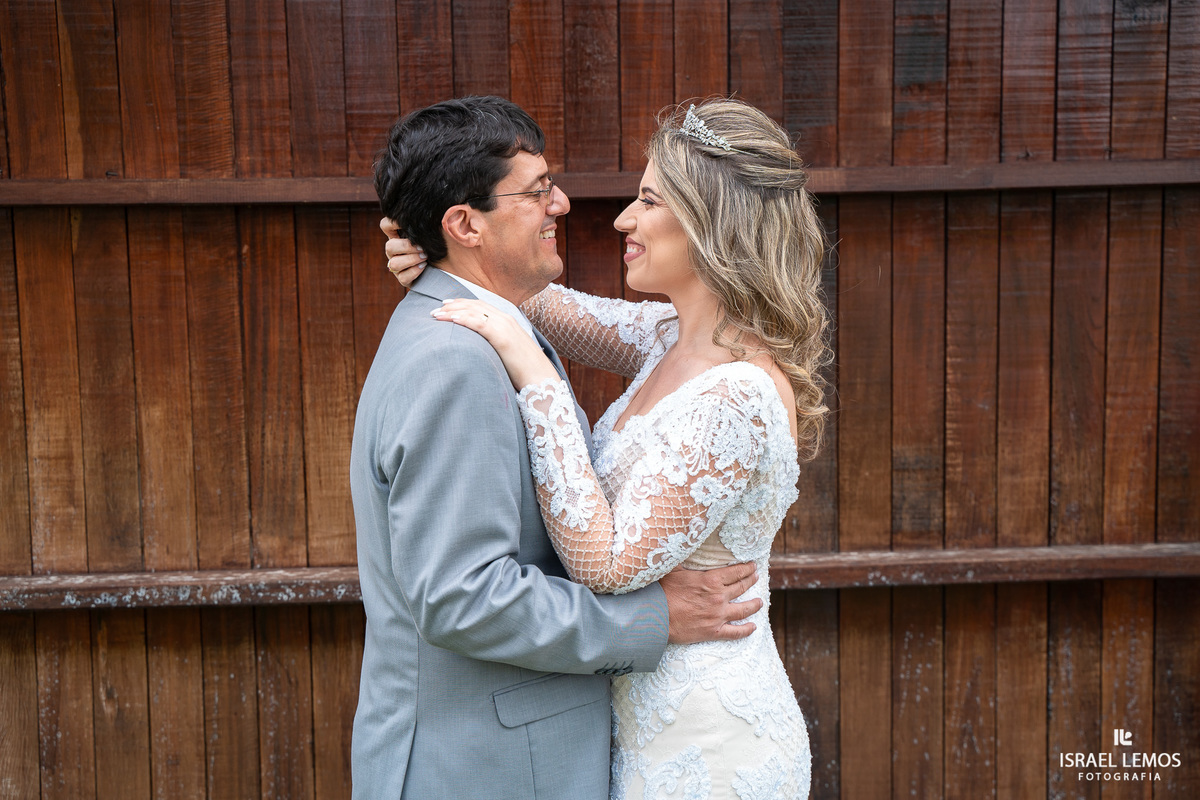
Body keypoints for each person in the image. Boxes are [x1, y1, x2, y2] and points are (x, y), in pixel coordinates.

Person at [386, 98, 828, 799]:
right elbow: (543, 305)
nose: (622, 218)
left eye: (647, 200)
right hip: (639, 716)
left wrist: (537, 381)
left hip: (706, 741)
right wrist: (443, 255)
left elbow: (608, 564)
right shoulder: (665, 340)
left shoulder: (737, 396)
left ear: (711, 222)